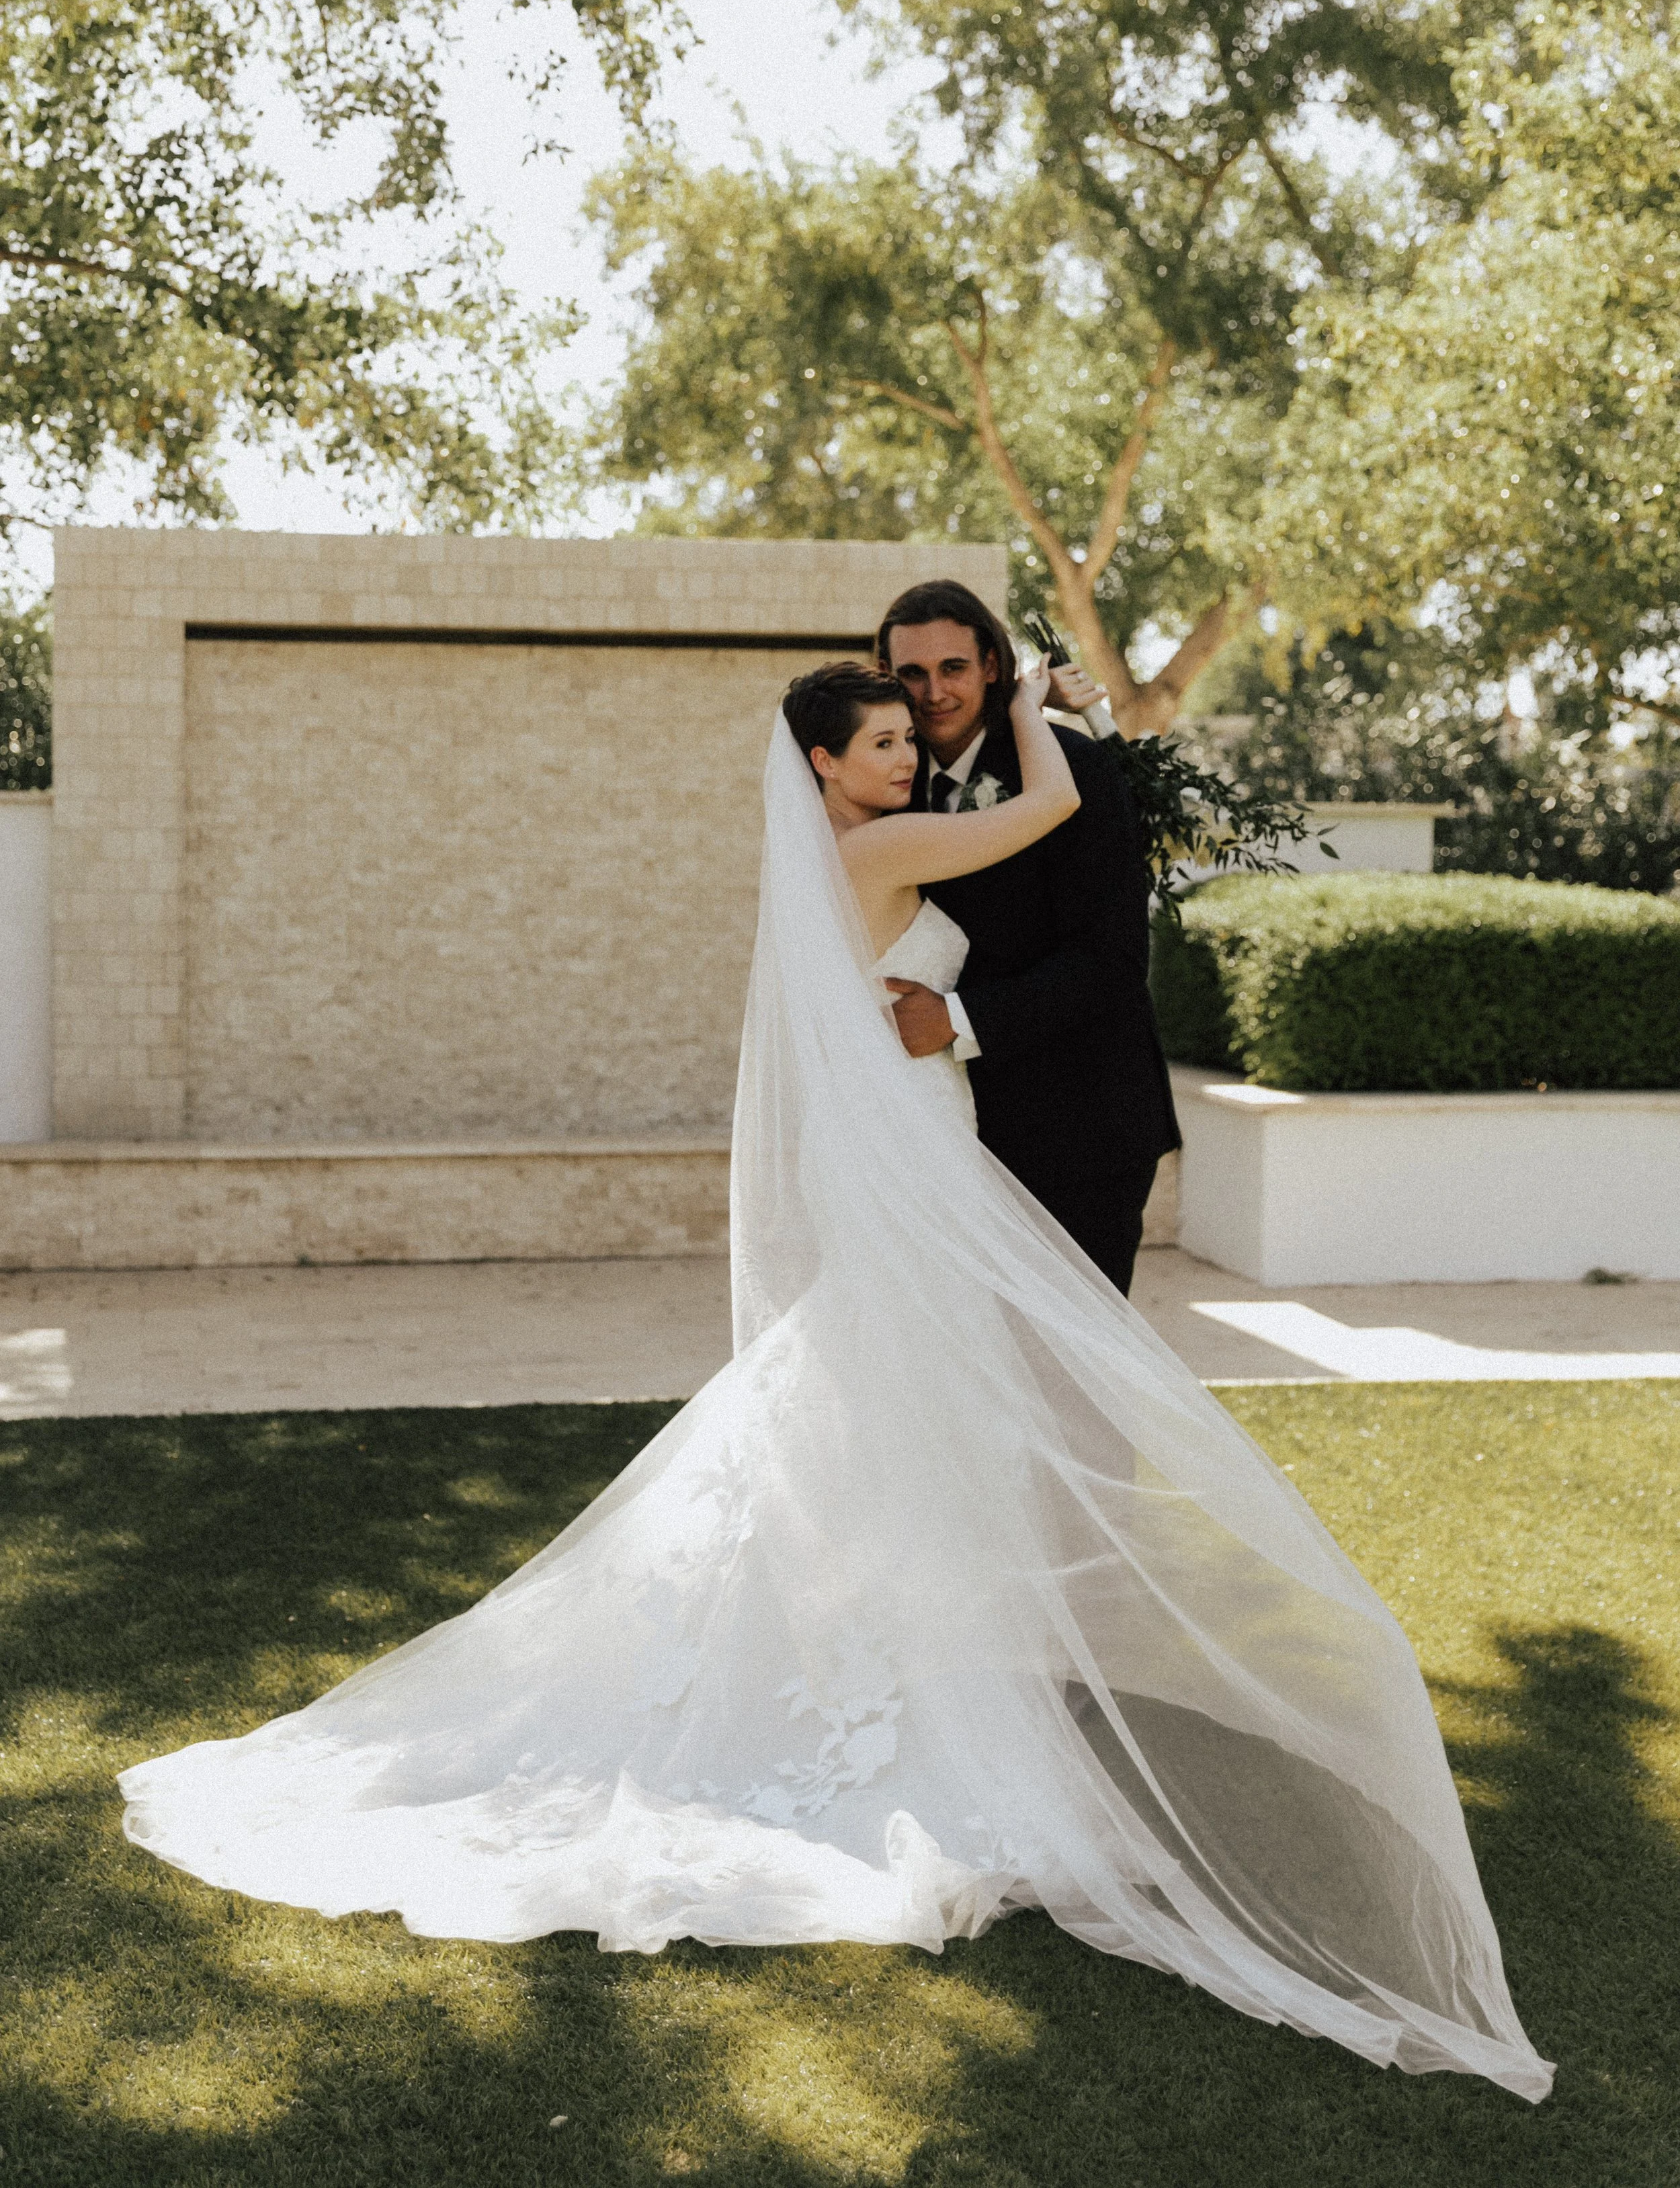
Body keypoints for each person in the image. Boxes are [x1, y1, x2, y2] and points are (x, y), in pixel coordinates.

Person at [118, 663, 1552, 2102]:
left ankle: (892, 1666)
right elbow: (1048, 806)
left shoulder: (839, 855)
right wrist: (1047, 709)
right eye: (879, 744)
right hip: (913, 1162)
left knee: (882, 1421)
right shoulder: (876, 852)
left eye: (905, 740)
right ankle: (902, 1694)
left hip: (910, 1150)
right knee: (911, 1412)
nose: (906, 758)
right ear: (819, 764)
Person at [876, 580, 1178, 1295]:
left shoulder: (1076, 771)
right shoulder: (890, 782)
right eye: (910, 674)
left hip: (1082, 1123)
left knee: (1075, 1380)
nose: (932, 693)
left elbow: (1113, 959)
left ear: (990, 666)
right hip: (949, 1129)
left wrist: (953, 1021)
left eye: (951, 668)